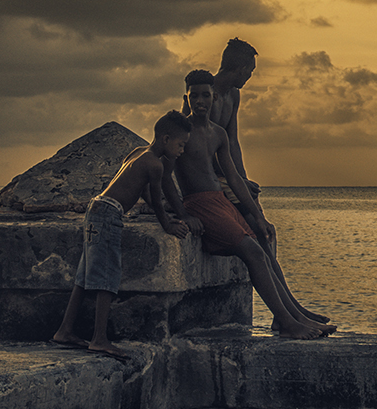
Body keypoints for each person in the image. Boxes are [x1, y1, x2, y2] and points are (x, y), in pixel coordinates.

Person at [173, 69, 332, 340]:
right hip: (200, 204)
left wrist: (259, 216)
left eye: (206, 95)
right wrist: (181, 214)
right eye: (195, 96)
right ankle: (288, 322)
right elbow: (162, 173)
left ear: (213, 97)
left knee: (262, 246)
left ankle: (293, 317)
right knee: (254, 254)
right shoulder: (180, 132)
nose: (201, 101)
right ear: (186, 98)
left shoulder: (218, 134)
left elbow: (234, 177)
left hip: (220, 202)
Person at [51, 110, 193, 361]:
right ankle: (99, 339)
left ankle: (65, 330)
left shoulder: (138, 153)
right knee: (107, 276)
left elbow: (143, 192)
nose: (182, 151)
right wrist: (168, 225)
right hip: (109, 215)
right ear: (166, 139)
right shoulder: (156, 164)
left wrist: (163, 214)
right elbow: (158, 203)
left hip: (95, 208)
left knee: (84, 276)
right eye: (181, 145)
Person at [210, 39, 330, 325]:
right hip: (214, 180)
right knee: (259, 231)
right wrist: (233, 179)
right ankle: (286, 312)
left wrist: (242, 177)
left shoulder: (233, 97)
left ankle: (289, 308)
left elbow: (232, 142)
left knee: (266, 233)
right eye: (249, 70)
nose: (250, 76)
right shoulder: (208, 95)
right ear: (238, 68)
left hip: (228, 177)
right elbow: (203, 148)